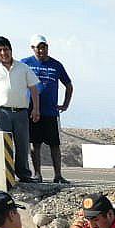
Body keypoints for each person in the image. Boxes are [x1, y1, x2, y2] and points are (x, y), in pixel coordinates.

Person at [0, 36, 40, 183]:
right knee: (2, 144)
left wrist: (36, 109)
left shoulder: (23, 67)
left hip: (20, 112)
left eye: (5, 49)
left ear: (10, 49)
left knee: (22, 144)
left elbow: (33, 88)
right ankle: (4, 176)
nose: (3, 53)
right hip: (0, 111)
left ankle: (24, 175)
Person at [22, 35, 73, 184]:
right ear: (33, 48)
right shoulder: (25, 64)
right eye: (38, 47)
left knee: (54, 144)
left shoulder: (56, 65)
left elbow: (69, 85)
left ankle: (58, 175)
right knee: (35, 144)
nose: (41, 50)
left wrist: (65, 104)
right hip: (32, 111)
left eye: (44, 47)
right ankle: (37, 174)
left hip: (50, 111)